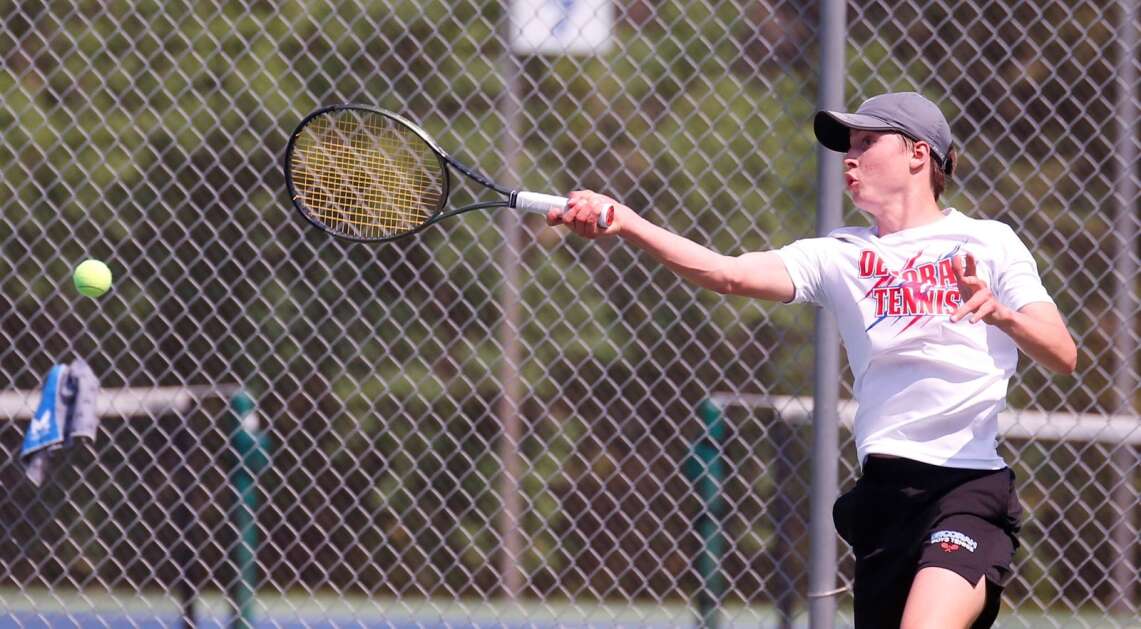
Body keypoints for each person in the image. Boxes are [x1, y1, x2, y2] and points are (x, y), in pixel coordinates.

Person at [547, 91, 1077, 629]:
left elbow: (1062, 353)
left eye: (868, 143)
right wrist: (629, 223)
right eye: (848, 146)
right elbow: (724, 272)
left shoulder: (989, 242)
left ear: (919, 154)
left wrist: (1002, 314)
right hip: (884, 500)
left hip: (967, 491)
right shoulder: (838, 255)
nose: (850, 158)